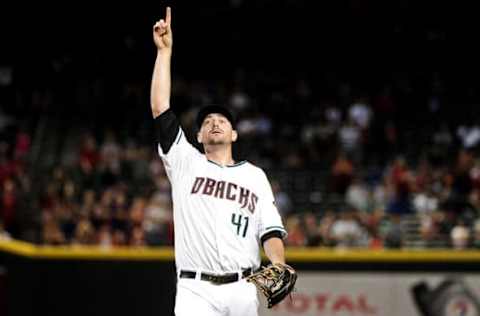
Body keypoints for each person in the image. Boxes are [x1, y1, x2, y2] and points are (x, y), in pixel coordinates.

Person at [151, 7, 289, 316]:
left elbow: (270, 230)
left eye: (222, 120)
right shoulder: (185, 161)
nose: (215, 123)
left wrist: (278, 263)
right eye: (208, 121)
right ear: (198, 135)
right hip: (194, 289)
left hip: (242, 287)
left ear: (235, 134)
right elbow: (161, 108)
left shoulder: (255, 176)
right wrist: (164, 53)